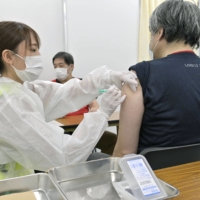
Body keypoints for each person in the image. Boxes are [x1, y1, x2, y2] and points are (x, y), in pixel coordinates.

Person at [0, 21, 138, 179]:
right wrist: (101, 114)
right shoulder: (8, 102)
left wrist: (106, 77)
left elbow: (68, 92)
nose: (38, 56)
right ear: (8, 56)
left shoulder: (22, 89)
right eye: (33, 49)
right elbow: (63, 155)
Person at [113, 0, 200, 157]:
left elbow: (125, 153)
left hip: (154, 177)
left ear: (160, 32)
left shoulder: (139, 76)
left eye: (152, 33)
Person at [52, 52, 117, 155]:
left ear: (71, 66)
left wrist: (95, 109)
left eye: (61, 65)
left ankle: (100, 166)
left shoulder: (82, 84)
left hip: (85, 128)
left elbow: (94, 104)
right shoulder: (50, 86)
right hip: (64, 132)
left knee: (113, 140)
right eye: (55, 66)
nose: (57, 69)